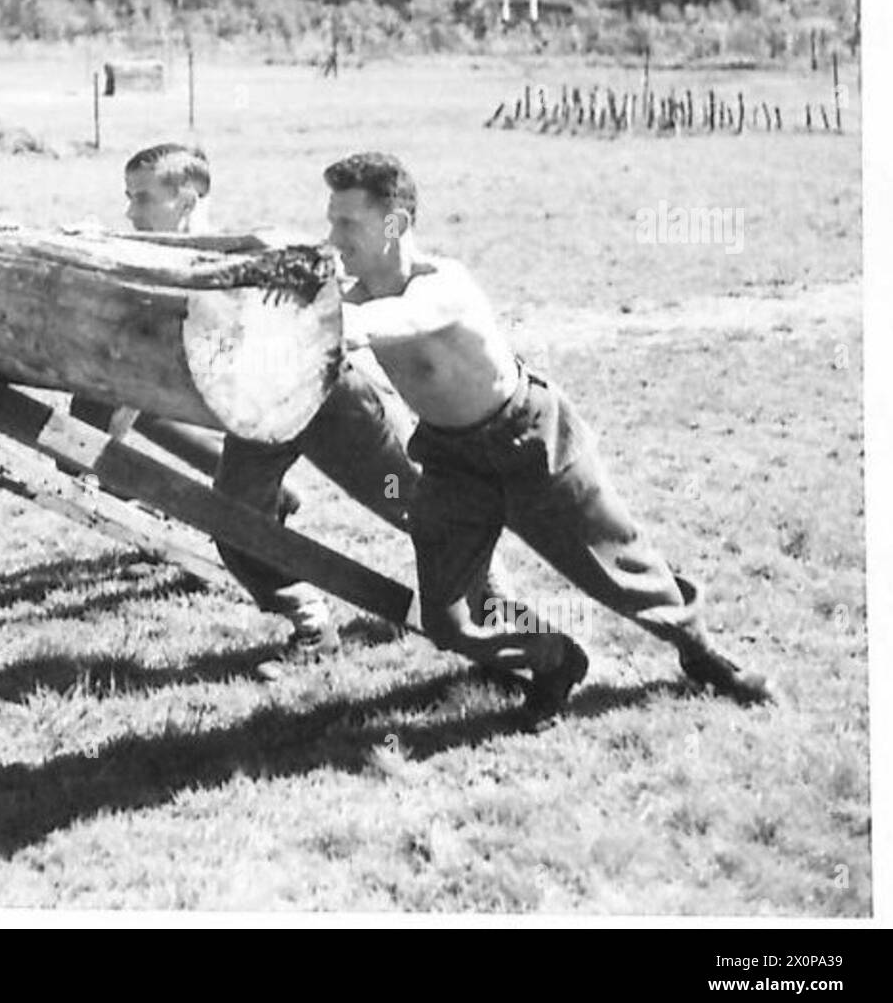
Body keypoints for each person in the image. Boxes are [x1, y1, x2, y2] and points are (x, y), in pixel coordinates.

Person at [324, 151, 772, 727]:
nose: (332, 236)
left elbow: (382, 324)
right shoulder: (354, 295)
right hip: (450, 462)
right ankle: (554, 658)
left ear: (396, 224)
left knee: (622, 571)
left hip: (528, 439)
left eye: (346, 223)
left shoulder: (443, 286)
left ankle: (705, 654)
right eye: (331, 220)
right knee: (449, 621)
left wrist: (321, 310)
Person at [75, 143, 517, 676]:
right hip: (259, 413)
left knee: (411, 502)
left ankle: (501, 614)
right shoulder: (152, 264)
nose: (131, 212)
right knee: (234, 524)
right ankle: (310, 621)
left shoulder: (250, 250)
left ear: (186, 198)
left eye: (142, 198)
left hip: (330, 402)